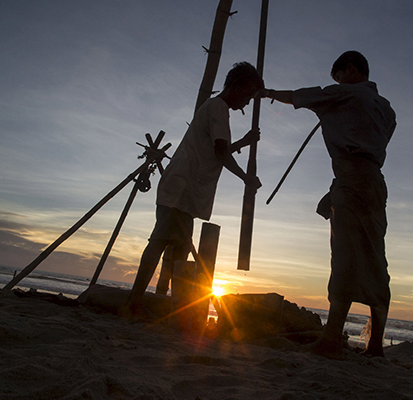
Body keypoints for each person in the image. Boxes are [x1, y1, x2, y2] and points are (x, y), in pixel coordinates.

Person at [263, 51, 396, 358]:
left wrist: (268, 93)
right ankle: (374, 346)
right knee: (376, 258)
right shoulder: (387, 110)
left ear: (350, 70)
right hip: (374, 182)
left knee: (346, 256)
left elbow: (302, 96)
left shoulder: (343, 93)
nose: (334, 82)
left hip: (352, 180)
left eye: (337, 76)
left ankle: (331, 339)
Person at [124, 62, 264, 317]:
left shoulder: (214, 108)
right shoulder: (219, 107)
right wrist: (246, 177)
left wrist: (243, 142)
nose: (246, 103)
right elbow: (220, 152)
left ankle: (171, 307)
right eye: (246, 96)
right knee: (161, 242)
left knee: (178, 248)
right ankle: (134, 303)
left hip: (184, 188)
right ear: (235, 86)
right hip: (183, 187)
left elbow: (213, 151)